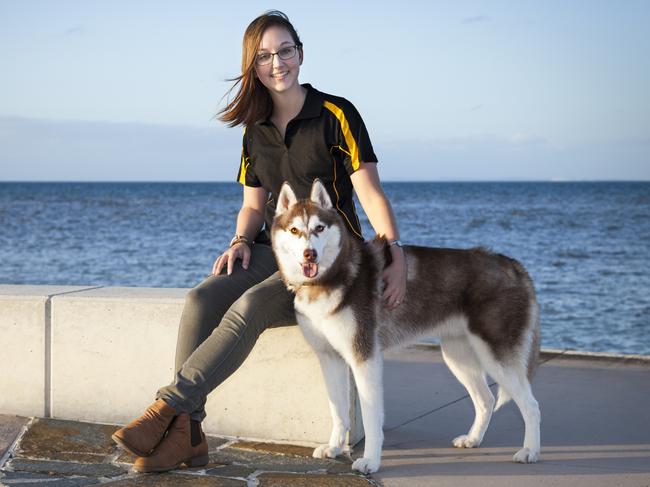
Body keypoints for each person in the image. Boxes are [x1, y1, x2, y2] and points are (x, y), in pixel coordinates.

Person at [111, 10, 407, 473]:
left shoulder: (336, 113)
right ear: (254, 66)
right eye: (265, 56)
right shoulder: (255, 129)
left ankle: (167, 410)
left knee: (249, 307)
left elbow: (369, 190)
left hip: (327, 263)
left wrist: (395, 252)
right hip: (273, 252)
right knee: (200, 299)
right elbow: (253, 205)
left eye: (285, 51)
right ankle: (188, 435)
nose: (277, 63)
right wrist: (240, 240)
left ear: (301, 54)